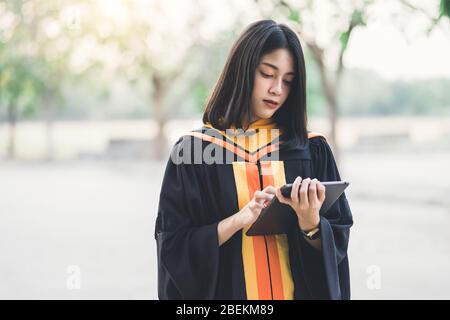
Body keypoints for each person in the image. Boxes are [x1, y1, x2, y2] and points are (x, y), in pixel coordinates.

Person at [154, 19, 353, 300]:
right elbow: (173, 248)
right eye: (267, 74)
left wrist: (311, 224)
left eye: (288, 81)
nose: (277, 90)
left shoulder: (311, 149)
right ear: (242, 71)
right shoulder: (193, 153)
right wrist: (237, 221)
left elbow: (338, 243)